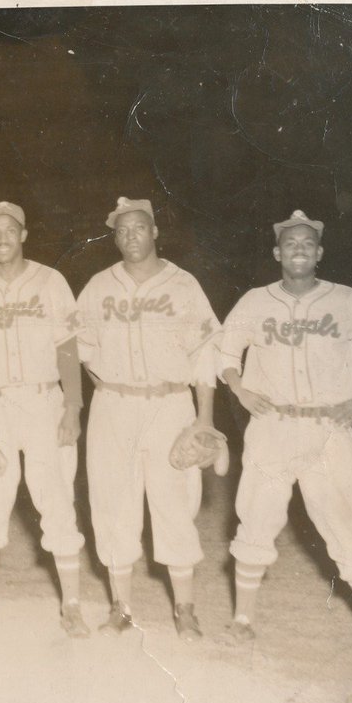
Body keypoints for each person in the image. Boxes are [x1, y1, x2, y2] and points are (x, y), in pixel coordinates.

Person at [218, 210, 352, 668]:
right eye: (290, 243)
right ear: (277, 253)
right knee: (256, 519)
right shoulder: (255, 302)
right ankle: (242, 620)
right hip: (272, 427)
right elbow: (224, 352)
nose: (298, 249)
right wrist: (239, 388)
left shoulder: (346, 299)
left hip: (328, 429)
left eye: (307, 243)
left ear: (319, 253)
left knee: (347, 524)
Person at [76, 197, 223, 640]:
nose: (131, 236)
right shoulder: (98, 286)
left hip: (170, 404)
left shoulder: (183, 285)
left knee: (175, 503)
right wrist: (109, 386)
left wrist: (204, 421)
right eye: (122, 231)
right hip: (113, 406)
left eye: (139, 227)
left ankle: (185, 609)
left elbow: (205, 354)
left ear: (155, 231)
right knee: (111, 504)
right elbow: (81, 349)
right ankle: (120, 607)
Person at [0, 202, 85, 630]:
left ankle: (72, 605)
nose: (3, 237)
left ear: (24, 234)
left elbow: (68, 349)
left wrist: (73, 406)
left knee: (56, 496)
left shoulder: (51, 281)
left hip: (44, 400)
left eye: (11, 229)